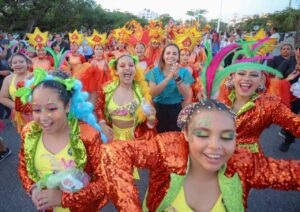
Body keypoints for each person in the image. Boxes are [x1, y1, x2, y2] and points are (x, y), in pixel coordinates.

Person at [99, 98, 300, 211]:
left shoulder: (244, 163)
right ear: (185, 134)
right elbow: (113, 152)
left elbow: (293, 173)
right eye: (203, 135)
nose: (215, 146)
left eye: (227, 137)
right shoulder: (169, 148)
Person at [17, 68, 107, 211]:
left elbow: (105, 182)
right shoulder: (30, 133)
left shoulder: (87, 136)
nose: (44, 117)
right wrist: (33, 189)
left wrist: (63, 198)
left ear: (67, 106)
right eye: (37, 110)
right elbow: (23, 168)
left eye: (52, 109)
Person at [95, 54, 157, 179]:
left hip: (135, 140)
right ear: (116, 71)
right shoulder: (107, 88)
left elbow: (151, 123)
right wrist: (101, 123)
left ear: (135, 69)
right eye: (122, 65)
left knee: (131, 178)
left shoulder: (142, 91)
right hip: (112, 137)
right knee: (115, 176)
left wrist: (150, 118)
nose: (127, 68)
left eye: (131, 65)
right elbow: (99, 107)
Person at [145, 43, 194, 133]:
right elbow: (152, 94)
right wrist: (168, 78)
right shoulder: (154, 71)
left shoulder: (184, 72)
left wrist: (176, 77)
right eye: (168, 53)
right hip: (158, 110)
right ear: (163, 56)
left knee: (174, 140)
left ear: (178, 57)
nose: (171, 56)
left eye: (174, 54)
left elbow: (186, 95)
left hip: (176, 110)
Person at [0, 53, 32, 132]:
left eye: (21, 62)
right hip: (19, 115)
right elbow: (2, 97)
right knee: (24, 137)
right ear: (11, 66)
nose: (18, 64)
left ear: (27, 63)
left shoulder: (35, 76)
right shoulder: (8, 79)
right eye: (15, 63)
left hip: (36, 113)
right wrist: (18, 107)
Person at [277, 45, 300, 151]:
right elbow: (276, 81)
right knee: (291, 120)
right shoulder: (288, 63)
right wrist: (288, 79)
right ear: (296, 51)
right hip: (291, 98)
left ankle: (289, 138)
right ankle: (288, 140)